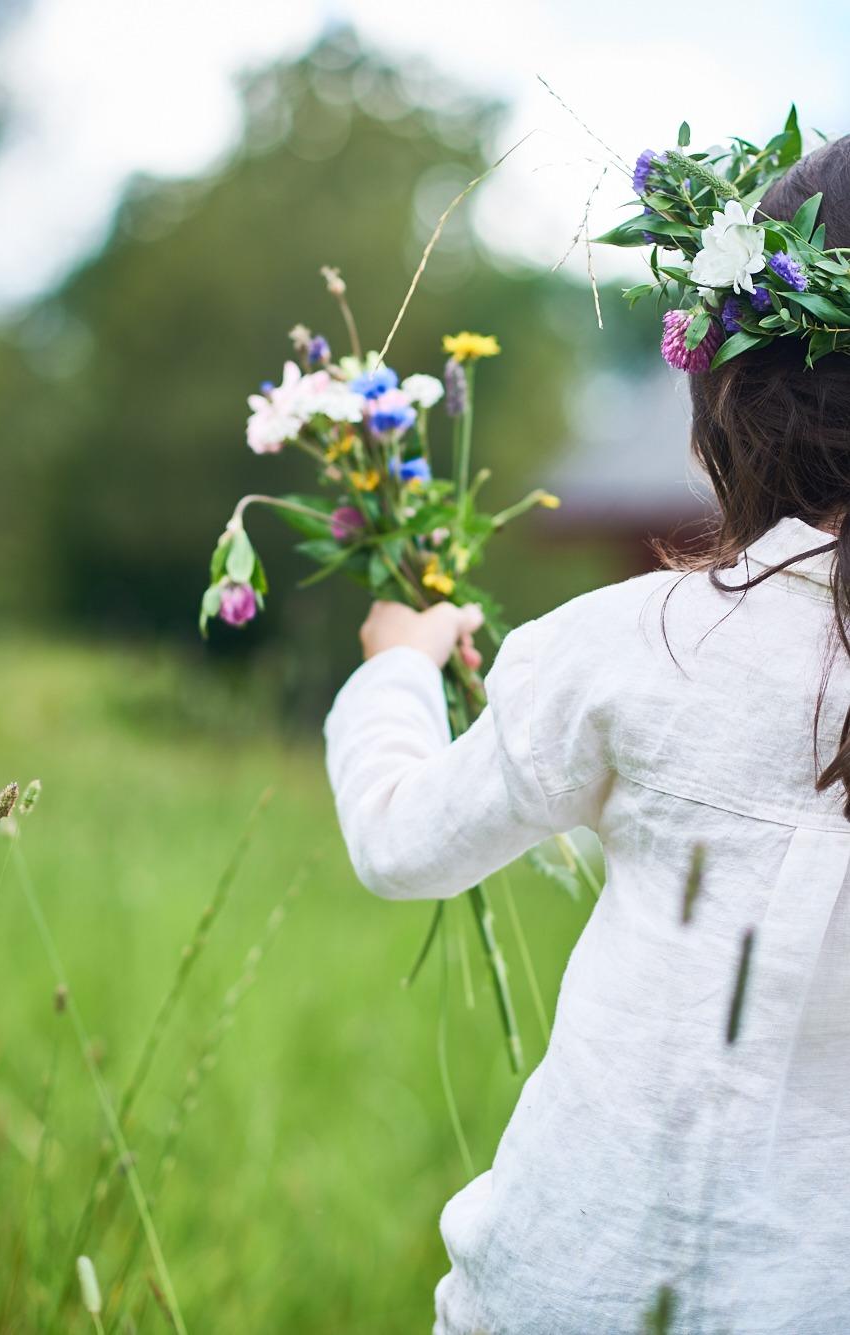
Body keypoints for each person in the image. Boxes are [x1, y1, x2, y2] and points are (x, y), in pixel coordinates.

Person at [326, 137, 850, 1332]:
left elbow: (403, 844)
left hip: (574, 1288)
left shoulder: (635, 643)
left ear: (738, 387)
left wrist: (401, 674)